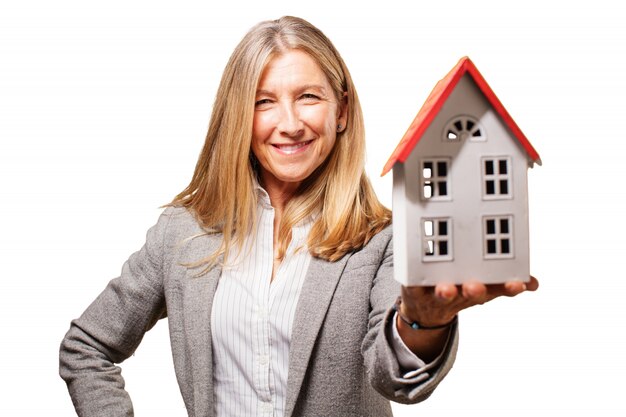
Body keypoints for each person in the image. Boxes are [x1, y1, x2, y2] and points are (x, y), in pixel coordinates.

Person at [59, 16, 538, 417]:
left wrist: (423, 323)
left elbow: (394, 378)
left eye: (308, 96)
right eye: (263, 101)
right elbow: (87, 347)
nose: (289, 123)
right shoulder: (183, 232)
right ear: (239, 117)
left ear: (341, 111)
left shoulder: (383, 239)